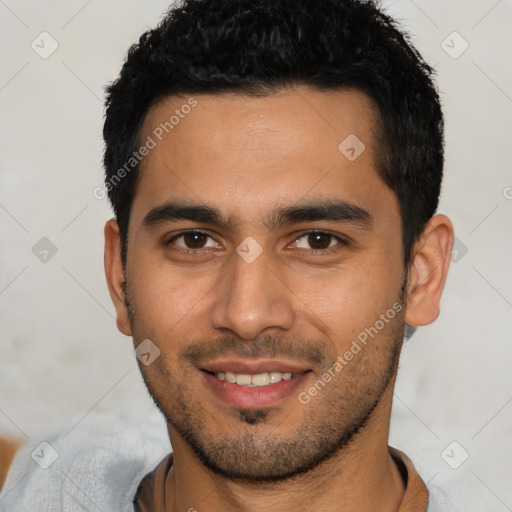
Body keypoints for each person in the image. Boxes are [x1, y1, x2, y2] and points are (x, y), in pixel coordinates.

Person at [0, 0, 456, 510]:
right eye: (194, 240)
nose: (246, 314)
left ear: (422, 275)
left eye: (317, 240)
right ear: (119, 275)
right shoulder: (38, 488)